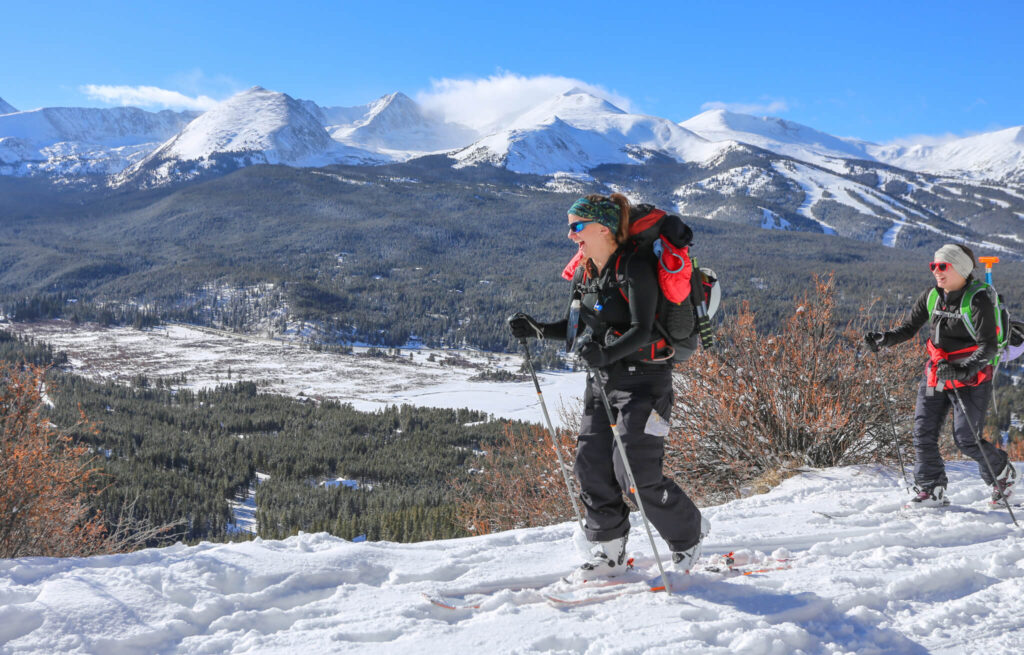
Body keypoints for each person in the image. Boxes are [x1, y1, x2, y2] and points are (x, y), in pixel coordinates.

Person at [507, 193, 709, 579]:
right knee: (591, 464)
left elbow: (642, 328)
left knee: (633, 471)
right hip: (602, 382)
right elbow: (575, 328)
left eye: (577, 227)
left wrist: (607, 352)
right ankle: (609, 551)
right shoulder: (586, 272)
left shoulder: (634, 266)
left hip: (645, 382)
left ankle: (690, 533)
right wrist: (535, 329)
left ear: (604, 228)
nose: (571, 236)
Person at [865, 244, 1018, 507]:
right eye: (933, 266)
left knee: (966, 439)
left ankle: (1002, 471)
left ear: (961, 269)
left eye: (943, 266)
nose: (936, 271)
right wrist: (884, 339)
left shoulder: (977, 300)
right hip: (936, 374)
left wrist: (961, 369)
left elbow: (988, 347)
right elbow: (909, 328)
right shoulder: (932, 296)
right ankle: (930, 489)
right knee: (923, 432)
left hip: (972, 376)